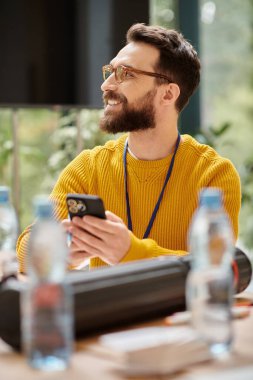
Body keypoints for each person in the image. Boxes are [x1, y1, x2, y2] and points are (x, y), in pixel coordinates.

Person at [17, 23, 241, 273]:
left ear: (167, 94)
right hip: (106, 311)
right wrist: (61, 251)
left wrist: (129, 251)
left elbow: (219, 267)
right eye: (110, 72)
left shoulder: (213, 174)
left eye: (126, 74)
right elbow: (25, 250)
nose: (106, 85)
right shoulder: (88, 167)